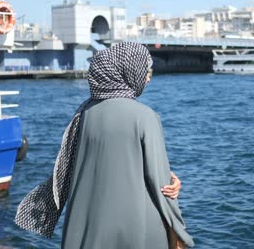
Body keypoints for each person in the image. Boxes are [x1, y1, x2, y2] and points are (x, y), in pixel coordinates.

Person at [15, 42, 194, 249]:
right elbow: (162, 185)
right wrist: (179, 233)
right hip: (138, 229)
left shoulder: (84, 113)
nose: (148, 77)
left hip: (83, 229)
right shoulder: (145, 117)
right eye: (145, 70)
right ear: (127, 71)